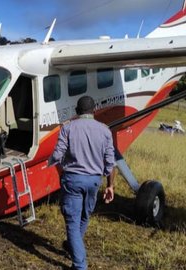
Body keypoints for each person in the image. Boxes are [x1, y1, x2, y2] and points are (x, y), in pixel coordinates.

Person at [49, 95, 116, 270]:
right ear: (93, 111)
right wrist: (110, 186)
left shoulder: (68, 128)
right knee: (84, 217)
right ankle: (73, 246)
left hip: (72, 180)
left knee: (72, 222)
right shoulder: (105, 131)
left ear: (77, 111)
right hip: (94, 181)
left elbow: (57, 155)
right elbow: (110, 163)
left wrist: (52, 164)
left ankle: (80, 265)